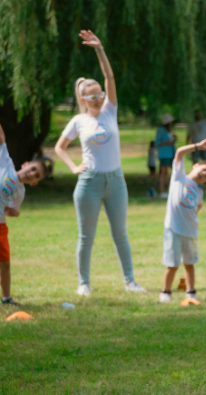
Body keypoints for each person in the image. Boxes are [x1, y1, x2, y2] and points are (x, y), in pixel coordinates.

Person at [54, 29, 148, 296]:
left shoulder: (110, 110)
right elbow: (60, 148)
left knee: (121, 234)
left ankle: (130, 282)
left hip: (116, 182)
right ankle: (84, 283)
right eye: (92, 96)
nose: (98, 99)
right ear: (83, 99)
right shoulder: (79, 121)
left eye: (100, 95)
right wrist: (73, 167)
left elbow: (109, 76)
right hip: (89, 184)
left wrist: (99, 49)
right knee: (87, 237)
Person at [159, 139, 206, 303]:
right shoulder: (179, 176)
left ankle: (191, 292)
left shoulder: (199, 191)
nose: (203, 174)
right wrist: (198, 146)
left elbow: (197, 208)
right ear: (196, 165)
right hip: (173, 229)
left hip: (190, 231)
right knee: (172, 264)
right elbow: (179, 153)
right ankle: (166, 292)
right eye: (204, 170)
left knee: (189, 263)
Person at [0, 121, 51, 306]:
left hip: (0, 226)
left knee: (4, 263)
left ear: (34, 183)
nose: (31, 174)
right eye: (33, 169)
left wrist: (13, 211)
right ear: (26, 164)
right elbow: (1, 138)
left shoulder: (20, 192)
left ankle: (6, 298)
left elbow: (15, 209)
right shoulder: (5, 163)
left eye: (36, 176)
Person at [155, 114, 177, 198]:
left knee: (171, 172)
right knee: (163, 172)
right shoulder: (161, 130)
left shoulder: (169, 130)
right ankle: (162, 191)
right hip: (164, 154)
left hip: (171, 153)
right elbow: (157, 142)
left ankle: (170, 189)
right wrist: (167, 143)